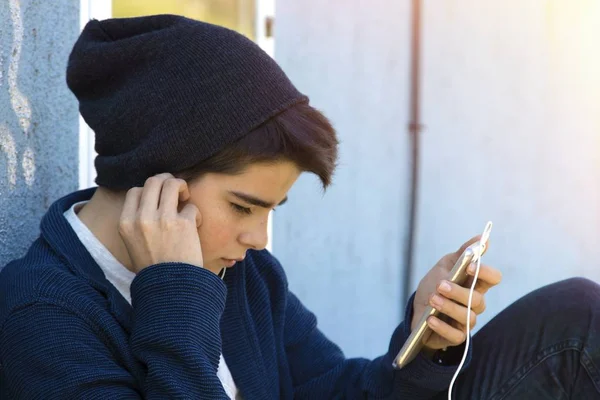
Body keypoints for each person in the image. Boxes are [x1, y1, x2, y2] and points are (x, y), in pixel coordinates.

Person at [0, 14, 599, 400]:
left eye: (273, 210)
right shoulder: (41, 314)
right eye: (243, 206)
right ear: (156, 181)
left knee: (577, 317)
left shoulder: (245, 275)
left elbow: (337, 391)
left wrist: (423, 343)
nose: (259, 238)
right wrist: (176, 296)